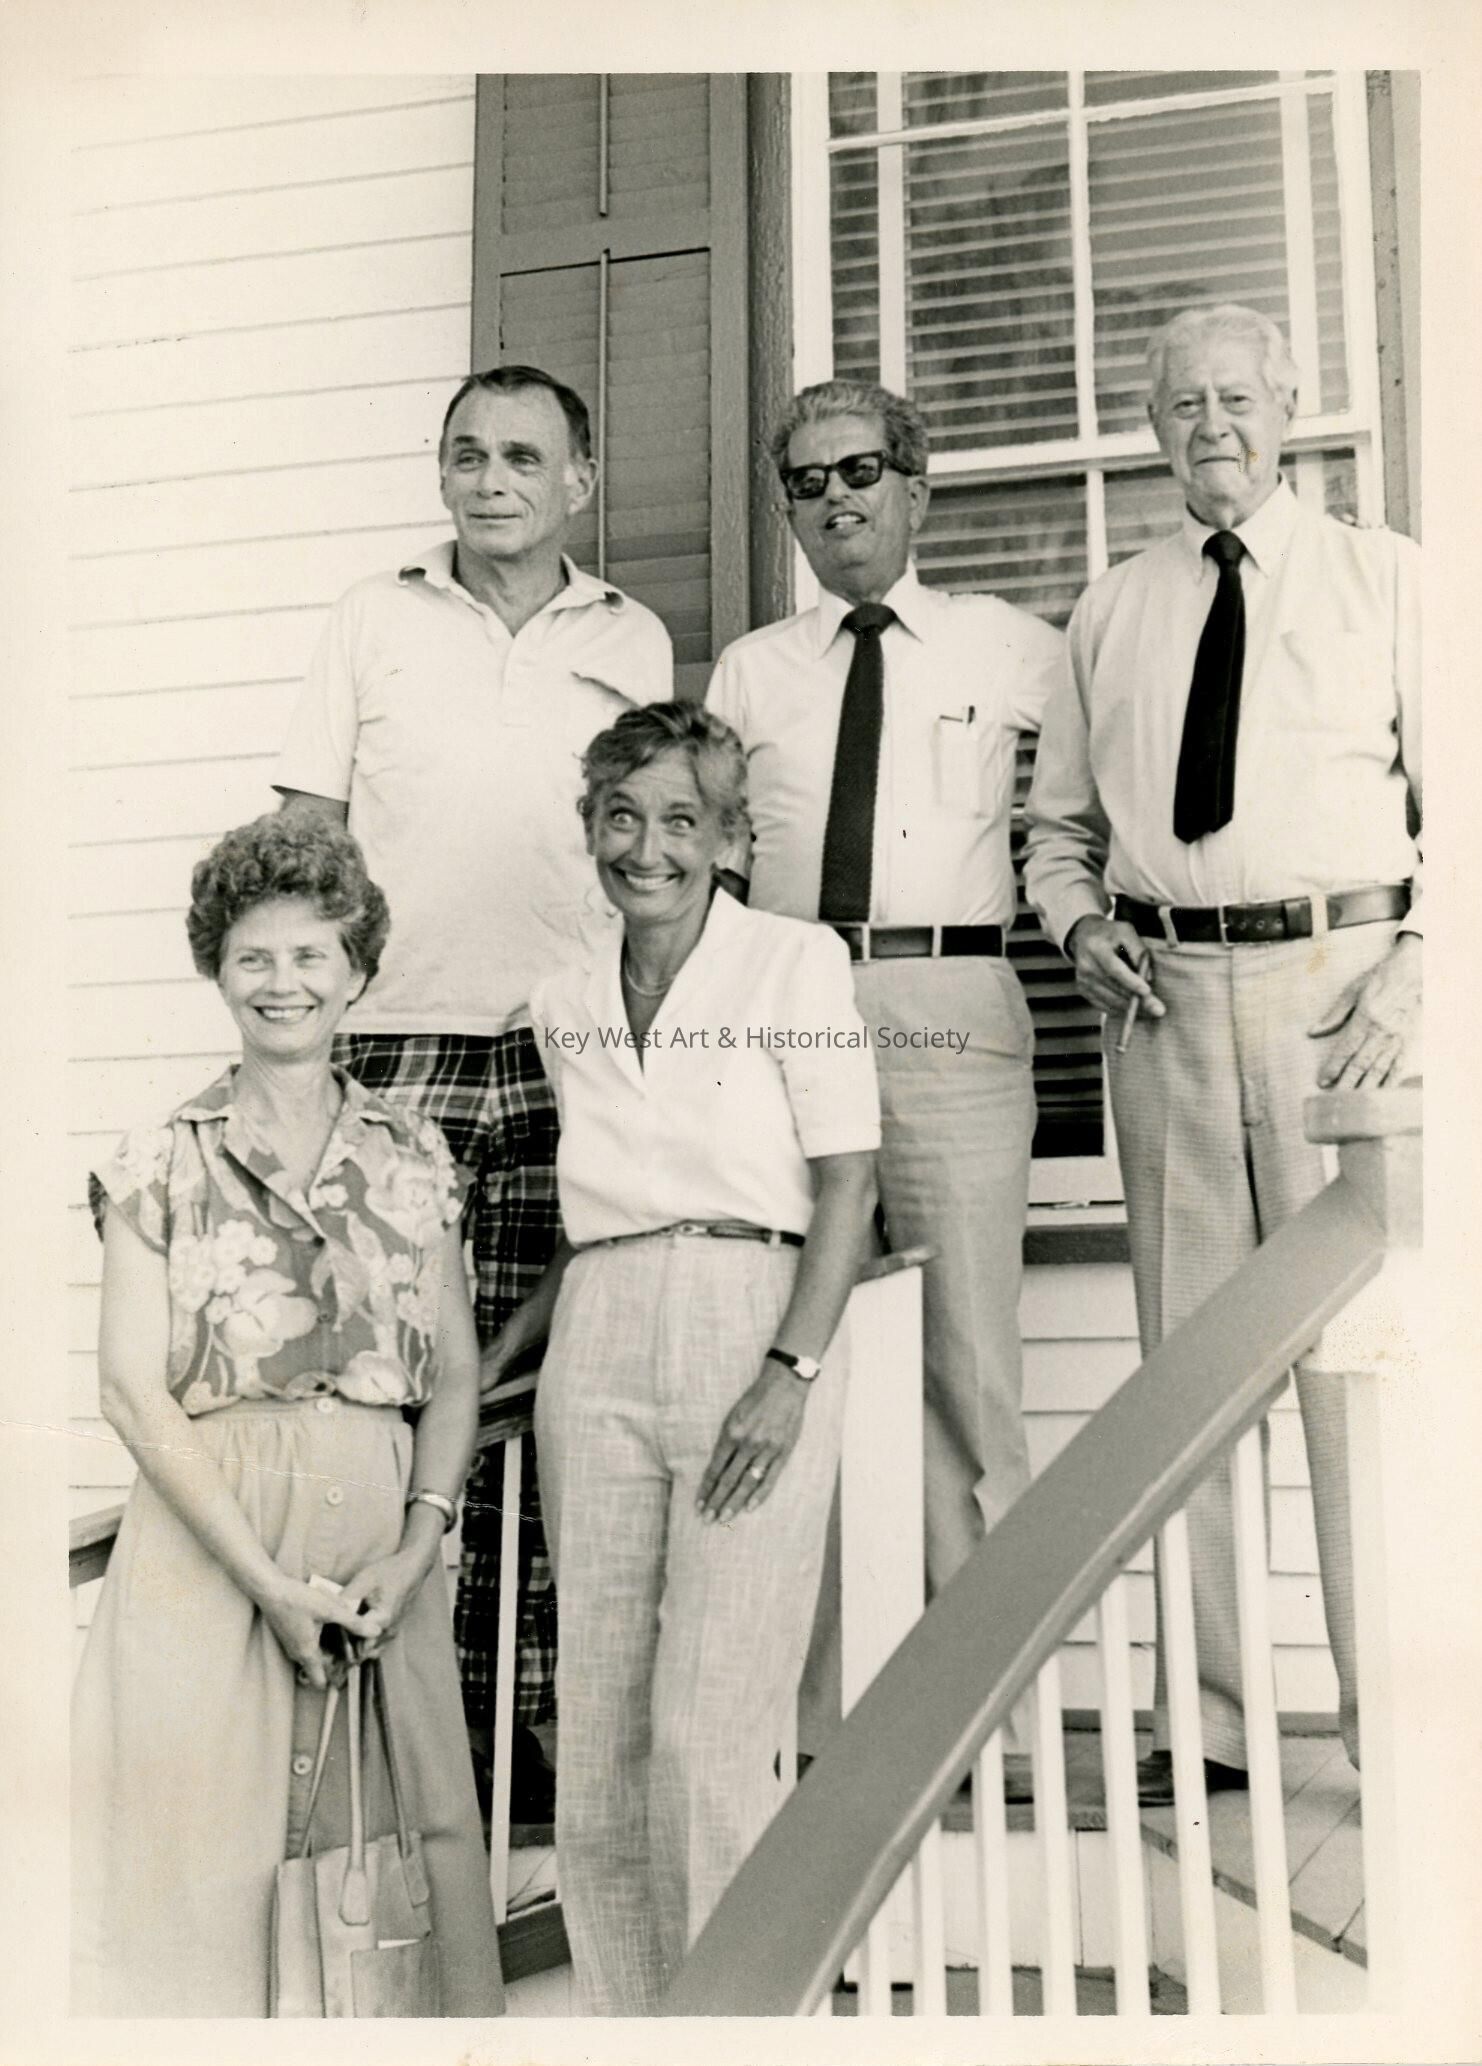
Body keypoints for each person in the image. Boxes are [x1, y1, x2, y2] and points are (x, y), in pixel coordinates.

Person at [1023, 302, 1421, 1801]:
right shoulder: (1111, 610)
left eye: (1238, 397)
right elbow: (1056, 832)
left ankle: (1396, 1725)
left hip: (1344, 999)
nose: (1213, 425)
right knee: (1189, 1374)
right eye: (1184, 402)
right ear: (1152, 425)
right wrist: (1076, 928)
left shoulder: (1386, 581)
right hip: (1168, 1002)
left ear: (1290, 406)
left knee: (1360, 1372)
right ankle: (1208, 1719)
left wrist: (1419, 972)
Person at [272, 364, 674, 1821]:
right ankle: (385, 1720)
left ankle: (519, 1727)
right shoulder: (371, 618)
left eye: (521, 456)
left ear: (578, 481)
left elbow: (651, 849)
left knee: (536, 1386)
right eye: (465, 454)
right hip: (399, 1047)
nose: (490, 479)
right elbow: (306, 841)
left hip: (565, 1048)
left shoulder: (630, 634)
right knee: (388, 1383)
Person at [479, 702, 880, 2013]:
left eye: (678, 820)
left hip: (749, 1317)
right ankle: (632, 2020)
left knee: (708, 1733)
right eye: (621, 816)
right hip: (598, 1329)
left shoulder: (793, 961)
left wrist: (790, 1370)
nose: (645, 847)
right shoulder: (562, 999)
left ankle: (736, 2023)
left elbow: (848, 1182)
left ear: (727, 836)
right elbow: (602, 1211)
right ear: (588, 826)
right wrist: (500, 1355)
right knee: (596, 1730)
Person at [71, 813, 503, 2016]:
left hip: (378, 1564)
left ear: (357, 969)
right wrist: (266, 1581)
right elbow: (129, 1386)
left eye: (312, 953)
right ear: (216, 968)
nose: (284, 981)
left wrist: (418, 1543)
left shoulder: (416, 1155)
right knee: (197, 1887)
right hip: (213, 1554)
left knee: (389, 1892)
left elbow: (452, 1376)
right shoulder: (157, 1159)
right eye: (253, 955)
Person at [706, 378, 1065, 1789]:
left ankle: (997, 1718)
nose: (835, 499)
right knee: (804, 1350)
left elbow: (1095, 809)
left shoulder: (1012, 645)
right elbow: (717, 870)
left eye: (860, 470)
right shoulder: (751, 673)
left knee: (968, 1367)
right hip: (792, 1007)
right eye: (805, 481)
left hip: (947, 1003)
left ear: (916, 487)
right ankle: (824, 1718)